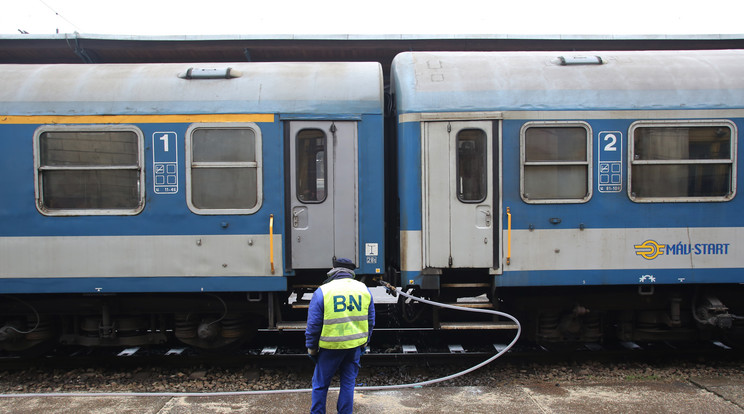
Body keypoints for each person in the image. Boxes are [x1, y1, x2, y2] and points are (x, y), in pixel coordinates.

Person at [305, 258, 375, 414]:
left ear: (333, 270)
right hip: (354, 347)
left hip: (330, 347)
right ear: (351, 272)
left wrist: (311, 348)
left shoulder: (323, 291)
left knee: (320, 384)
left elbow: (314, 326)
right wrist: (365, 342)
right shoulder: (363, 289)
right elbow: (370, 321)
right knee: (348, 384)